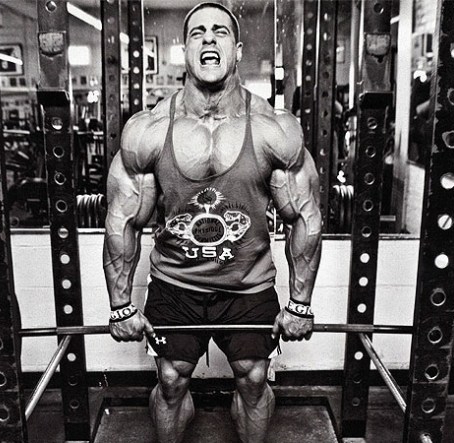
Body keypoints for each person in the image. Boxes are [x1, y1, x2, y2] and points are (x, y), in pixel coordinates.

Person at [104, 3, 322, 442]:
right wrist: (121, 305)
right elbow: (122, 221)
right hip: (176, 284)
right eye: (197, 32)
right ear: (184, 49)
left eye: (220, 31)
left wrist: (299, 305)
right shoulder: (148, 130)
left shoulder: (273, 129)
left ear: (237, 50)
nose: (208, 38)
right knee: (171, 380)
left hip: (248, 285)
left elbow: (305, 216)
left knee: (254, 378)